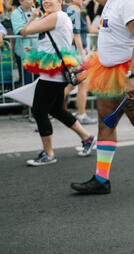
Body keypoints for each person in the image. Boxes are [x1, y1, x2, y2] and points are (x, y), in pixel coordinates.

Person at [70, 0, 134, 195]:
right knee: (105, 125)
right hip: (109, 74)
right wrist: (88, 65)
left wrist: (132, 76)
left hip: (130, 75)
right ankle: (101, 179)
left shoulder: (129, 3)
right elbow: (112, 39)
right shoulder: (112, 3)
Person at [21, 0, 95, 166]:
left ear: (60, 1)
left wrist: (32, 16)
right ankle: (87, 137)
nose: (46, 1)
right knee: (56, 110)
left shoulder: (56, 16)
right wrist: (35, 51)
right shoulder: (57, 17)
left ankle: (49, 154)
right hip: (55, 72)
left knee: (39, 111)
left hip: (52, 75)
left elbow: (25, 31)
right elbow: (54, 44)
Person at [63, 0, 96, 125]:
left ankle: (50, 109)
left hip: (70, 52)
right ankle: (81, 114)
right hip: (75, 53)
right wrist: (82, 53)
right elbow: (76, 35)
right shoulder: (72, 11)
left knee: (72, 85)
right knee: (82, 83)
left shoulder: (63, 10)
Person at [11, 0, 38, 84]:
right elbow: (22, 32)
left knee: (38, 82)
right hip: (24, 54)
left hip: (38, 53)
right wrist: (32, 19)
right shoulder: (16, 13)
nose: (32, 1)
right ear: (21, 1)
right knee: (27, 82)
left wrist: (30, 29)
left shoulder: (37, 11)